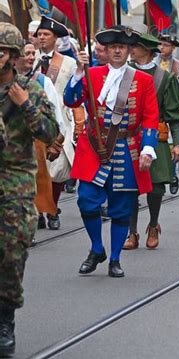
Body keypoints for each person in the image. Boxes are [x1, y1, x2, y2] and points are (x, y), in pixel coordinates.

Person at [63, 26, 159, 278]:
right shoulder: (92, 74)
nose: (117, 50)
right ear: (105, 50)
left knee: (121, 208)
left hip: (127, 149)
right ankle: (97, 248)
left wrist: (148, 148)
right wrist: (78, 73)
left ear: (129, 51)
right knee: (86, 200)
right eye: (113, 46)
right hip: (95, 147)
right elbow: (71, 100)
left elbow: (150, 117)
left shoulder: (144, 80)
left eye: (122, 46)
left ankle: (115, 258)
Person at [0, 23, 59, 358]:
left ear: (11, 56)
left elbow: (50, 132)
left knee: (11, 250)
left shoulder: (29, 90)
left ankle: (5, 317)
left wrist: (25, 105)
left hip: (16, 181)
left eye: (2, 51)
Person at [123, 32, 179, 250]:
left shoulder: (164, 78)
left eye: (135, 46)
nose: (131, 49)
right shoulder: (124, 74)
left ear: (146, 50)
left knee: (156, 187)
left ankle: (153, 224)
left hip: (155, 138)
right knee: (129, 187)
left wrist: (178, 142)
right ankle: (131, 232)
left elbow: (174, 115)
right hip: (129, 136)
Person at [35, 15, 85, 229]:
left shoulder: (69, 63)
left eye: (46, 34)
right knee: (37, 170)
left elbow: (75, 96)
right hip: (34, 122)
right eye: (40, 34)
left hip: (59, 121)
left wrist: (78, 124)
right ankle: (36, 211)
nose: (42, 38)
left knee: (58, 170)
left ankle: (53, 208)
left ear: (56, 38)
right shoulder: (28, 57)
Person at [15, 43, 67, 238]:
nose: (30, 57)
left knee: (31, 188)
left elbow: (55, 114)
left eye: (32, 53)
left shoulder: (41, 82)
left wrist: (56, 142)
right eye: (26, 53)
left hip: (33, 146)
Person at [156, 32, 179, 194]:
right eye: (160, 44)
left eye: (166, 45)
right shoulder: (151, 63)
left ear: (173, 47)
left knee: (173, 145)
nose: (162, 47)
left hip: (172, 112)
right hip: (155, 112)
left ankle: (172, 174)